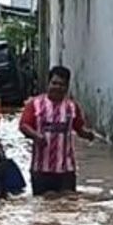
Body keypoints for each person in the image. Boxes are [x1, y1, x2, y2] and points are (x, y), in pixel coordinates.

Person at [19, 66, 97, 196]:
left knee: (68, 205)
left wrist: (87, 135)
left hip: (66, 169)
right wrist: (36, 136)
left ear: (66, 87)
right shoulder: (35, 104)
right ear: (48, 83)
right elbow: (23, 125)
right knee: (45, 205)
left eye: (61, 84)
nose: (57, 87)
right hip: (41, 169)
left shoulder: (72, 107)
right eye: (54, 83)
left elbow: (79, 128)